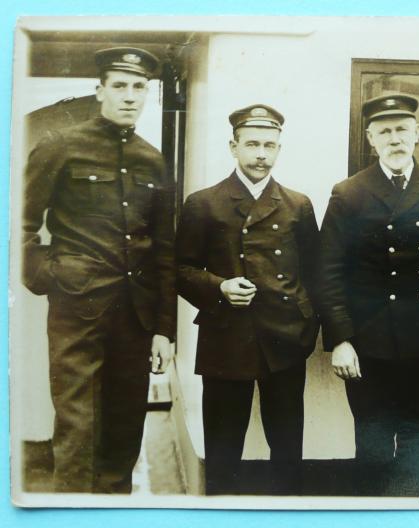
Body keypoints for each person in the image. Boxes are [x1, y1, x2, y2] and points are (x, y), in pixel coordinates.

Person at [22, 47, 175, 493]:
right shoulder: (60, 147)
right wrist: (48, 274)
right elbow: (20, 223)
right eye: (120, 86)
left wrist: (164, 329)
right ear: (100, 90)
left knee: (125, 426)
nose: (130, 97)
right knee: (77, 425)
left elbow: (164, 248)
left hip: (135, 316)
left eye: (139, 87)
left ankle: (114, 509)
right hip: (77, 311)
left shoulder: (153, 160)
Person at [317, 94, 419, 494]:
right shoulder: (349, 192)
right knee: (372, 445)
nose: (395, 138)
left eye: (402, 129)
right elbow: (328, 271)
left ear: (416, 134)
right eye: (384, 131)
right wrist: (340, 340)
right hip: (368, 342)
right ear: (372, 140)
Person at [176, 104, 319, 495]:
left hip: (285, 339)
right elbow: (180, 270)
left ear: (278, 150)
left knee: (288, 446)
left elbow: (314, 272)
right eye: (252, 144)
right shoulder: (203, 202)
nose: (261, 154)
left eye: (269, 146)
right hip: (227, 337)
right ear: (233, 146)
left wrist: (306, 324)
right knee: (223, 448)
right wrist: (219, 287)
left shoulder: (297, 204)